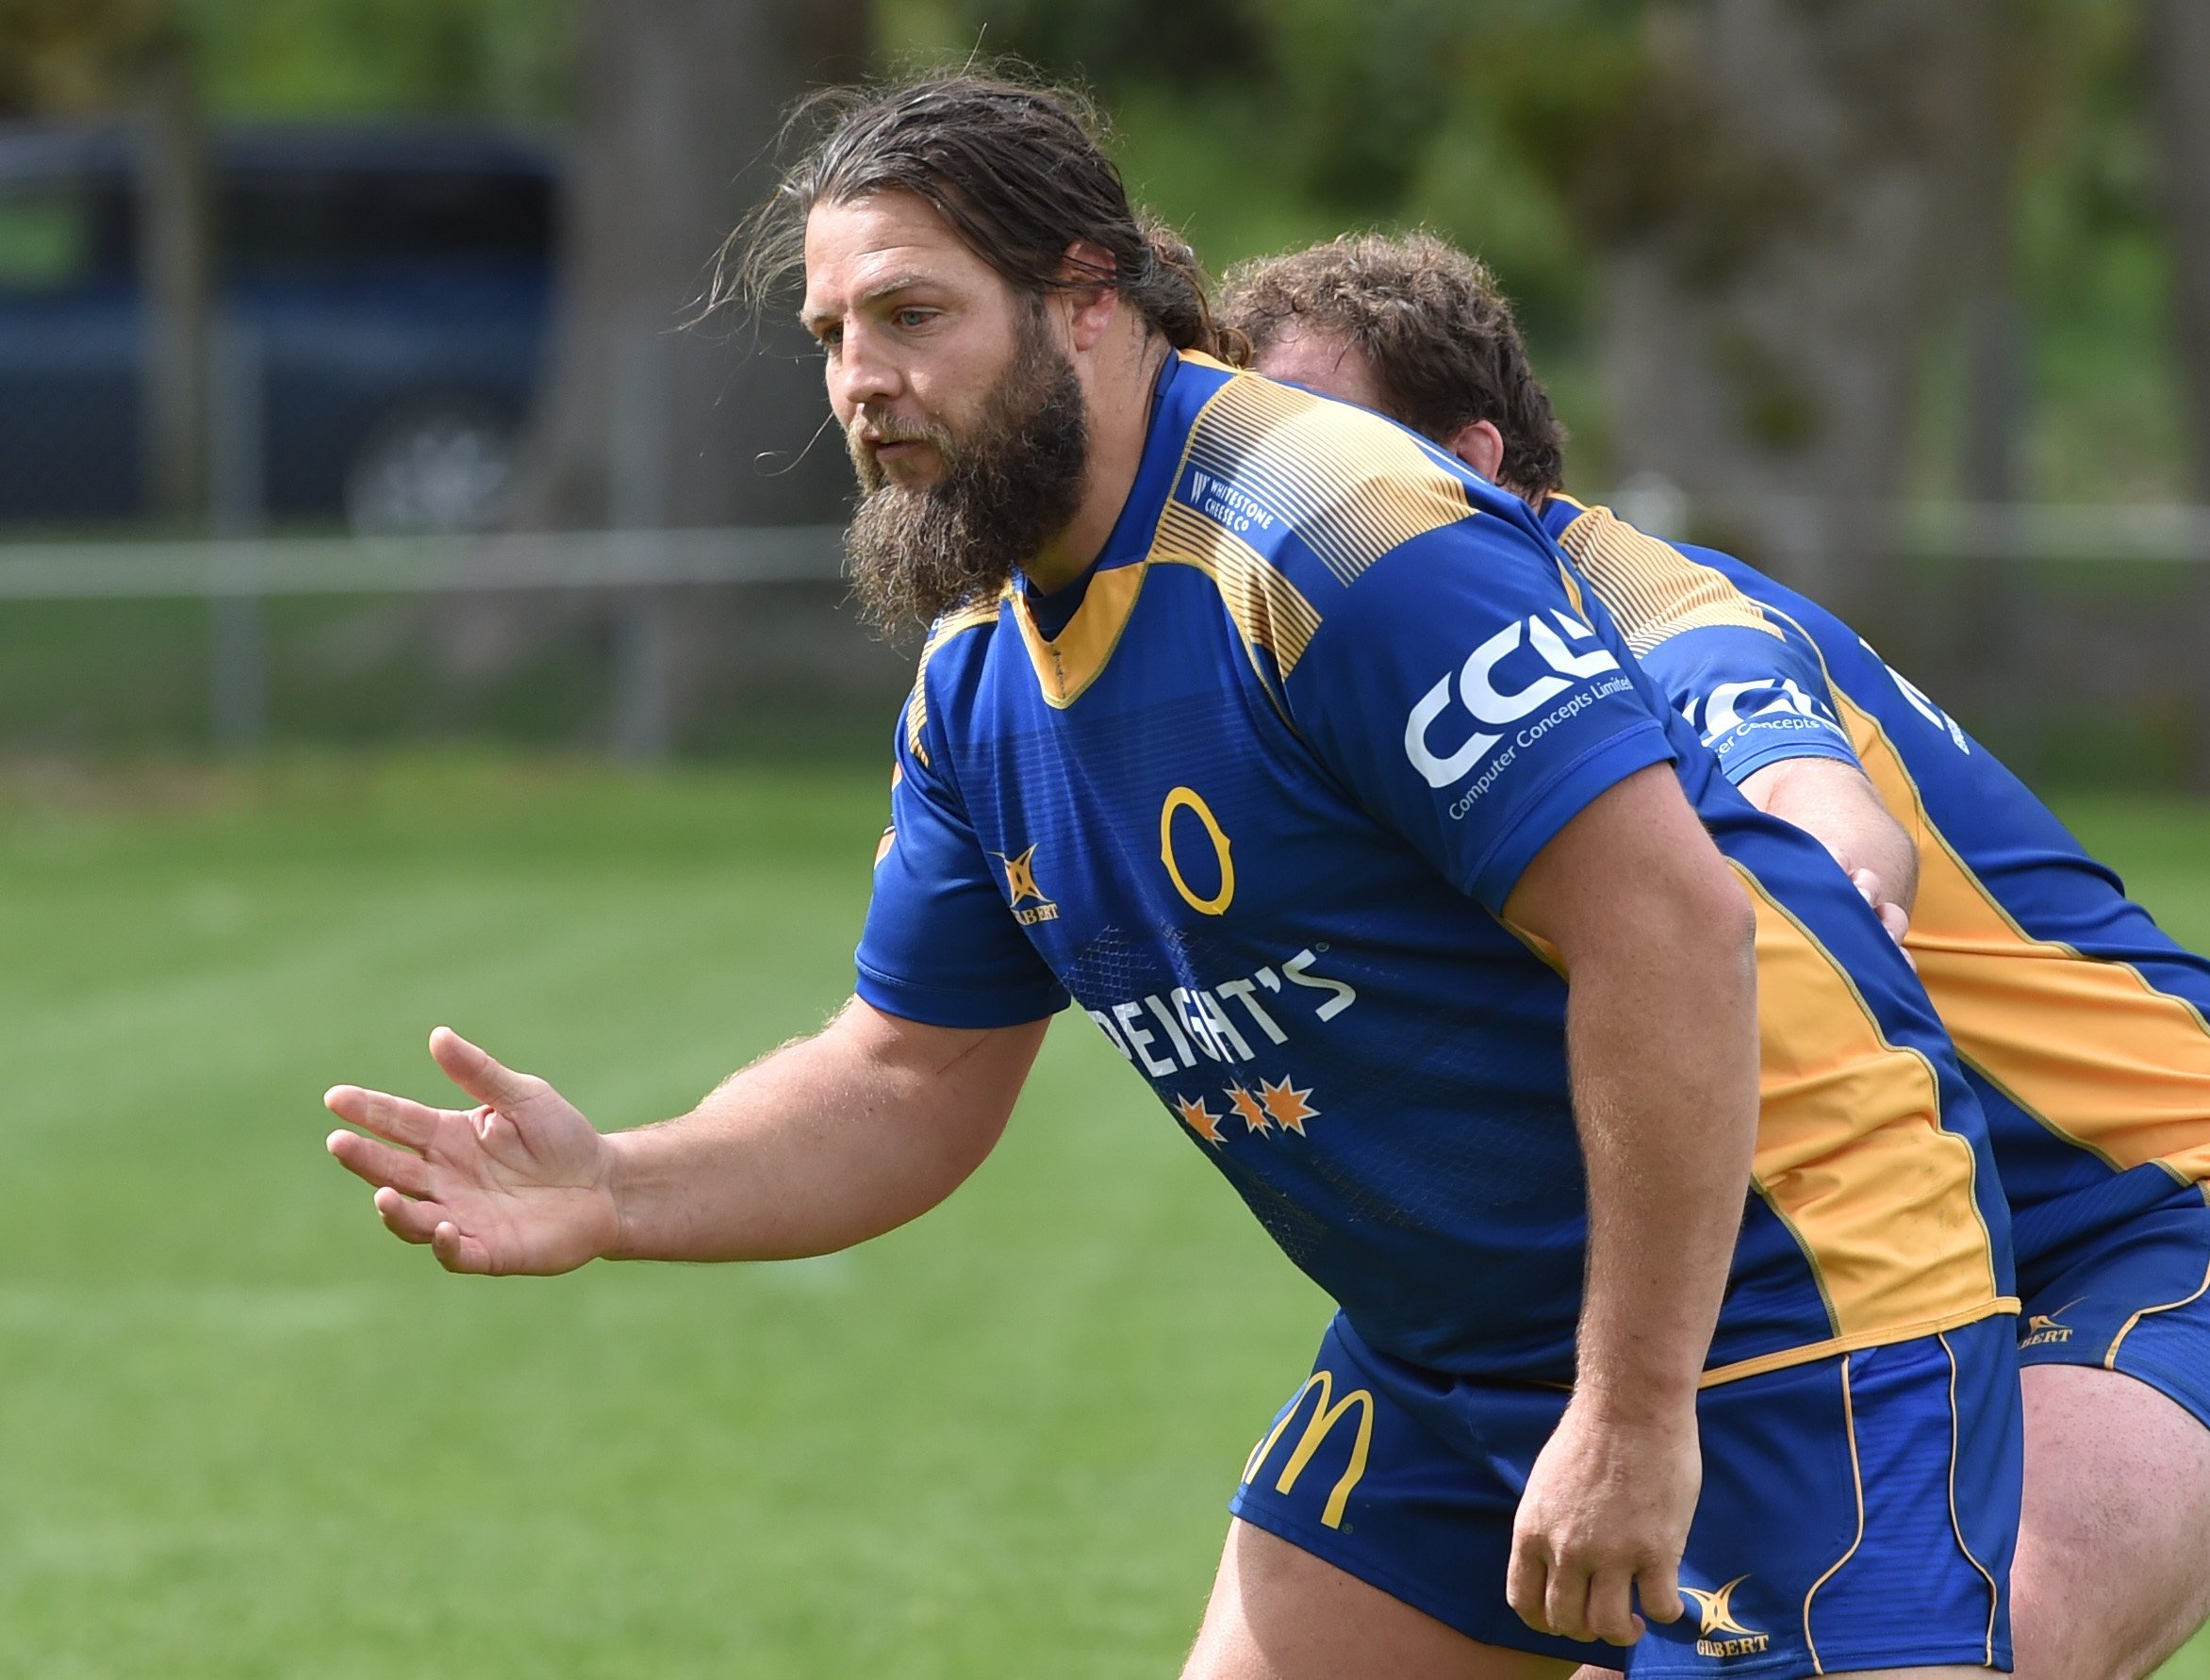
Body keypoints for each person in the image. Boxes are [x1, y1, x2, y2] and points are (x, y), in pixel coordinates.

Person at [325, 77, 2025, 1680]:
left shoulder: (1336, 531)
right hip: (1456, 1356)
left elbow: (1670, 931)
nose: (860, 381)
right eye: (833, 334)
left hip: (1790, 1308)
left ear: (1089, 298)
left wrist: (1639, 1408)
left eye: (915, 313)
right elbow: (905, 1073)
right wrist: (619, 1185)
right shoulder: (983, 683)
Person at [1223, 229, 2210, 1680]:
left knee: (1994, 1639)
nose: (1270, 499)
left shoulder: (1644, 612)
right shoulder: (1302, 668)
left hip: (2132, 1214)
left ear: (1473, 460)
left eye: (1316, 442)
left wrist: (1821, 874)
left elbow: (1812, 804)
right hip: (1691, 1254)